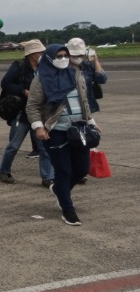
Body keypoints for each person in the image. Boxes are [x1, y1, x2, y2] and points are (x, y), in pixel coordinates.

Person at [26, 44, 99, 226]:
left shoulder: (74, 75)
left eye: (65, 55)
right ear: (50, 58)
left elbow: (84, 101)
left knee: (82, 169)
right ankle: (68, 210)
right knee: (63, 170)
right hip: (56, 132)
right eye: (58, 56)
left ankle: (59, 190)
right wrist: (38, 127)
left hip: (79, 129)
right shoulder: (41, 80)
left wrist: (91, 122)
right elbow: (32, 106)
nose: (63, 59)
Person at [0, 40, 54, 186]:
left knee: (44, 147)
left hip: (39, 113)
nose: (43, 54)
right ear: (32, 54)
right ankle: (3, 170)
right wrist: (24, 91)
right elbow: (6, 83)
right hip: (22, 112)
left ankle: (47, 177)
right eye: (40, 52)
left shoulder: (45, 67)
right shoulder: (19, 66)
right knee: (14, 145)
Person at [67, 37, 108, 185]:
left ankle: (80, 170)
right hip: (71, 111)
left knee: (87, 140)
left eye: (80, 55)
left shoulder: (87, 66)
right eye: (74, 55)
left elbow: (102, 79)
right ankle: (75, 171)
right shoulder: (64, 68)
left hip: (87, 108)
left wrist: (95, 60)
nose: (77, 58)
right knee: (73, 140)